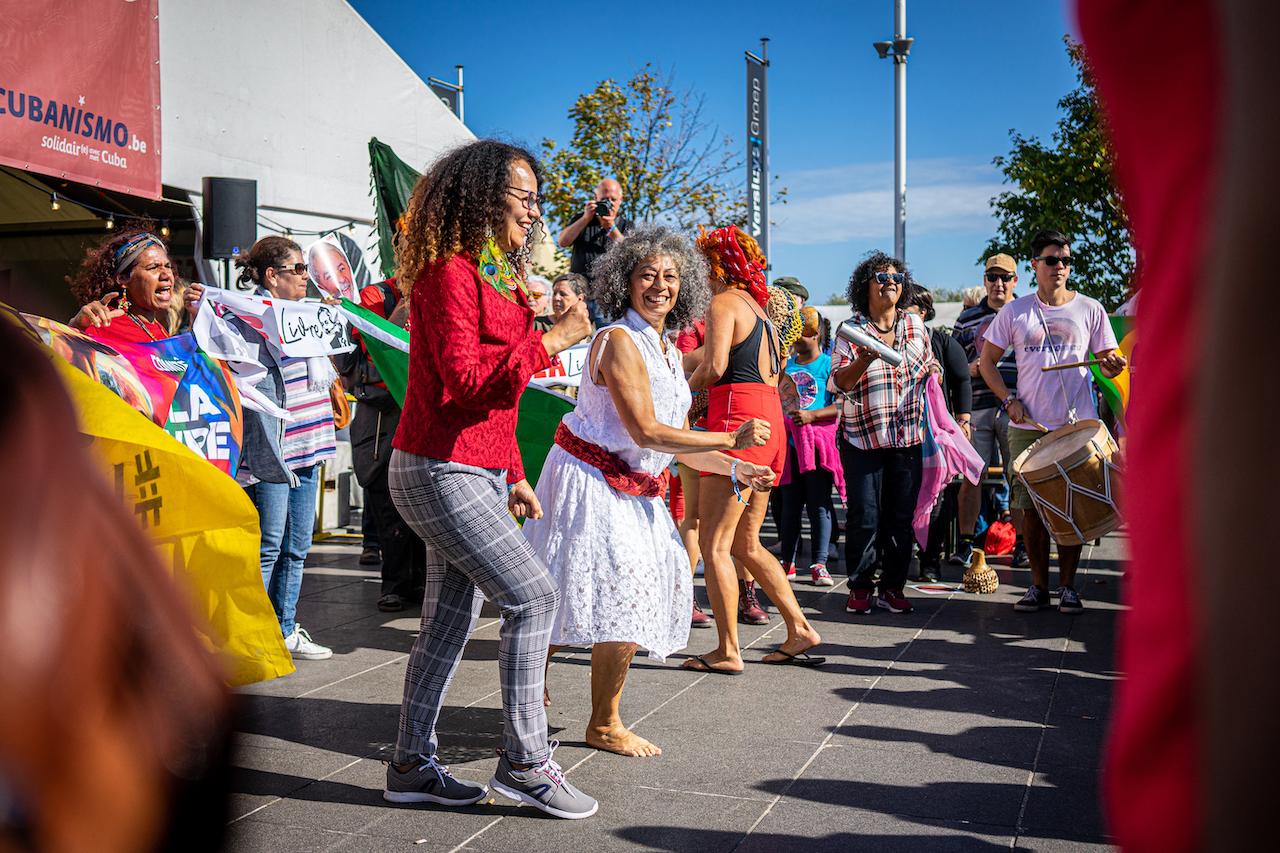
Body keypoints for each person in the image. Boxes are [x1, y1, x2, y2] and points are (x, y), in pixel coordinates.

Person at [382, 139, 597, 819]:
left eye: (537, 199)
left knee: (448, 622)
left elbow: (491, 400)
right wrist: (552, 341)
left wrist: (511, 471)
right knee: (533, 597)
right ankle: (525, 763)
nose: (535, 213)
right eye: (523, 197)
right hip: (437, 466)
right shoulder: (448, 274)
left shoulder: (487, 275)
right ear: (479, 197)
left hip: (468, 468)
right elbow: (466, 381)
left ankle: (411, 765)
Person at [529, 226, 774, 757]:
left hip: (634, 488)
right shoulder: (616, 340)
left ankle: (603, 722)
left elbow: (675, 447)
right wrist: (730, 435)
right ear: (625, 281)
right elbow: (646, 431)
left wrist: (735, 469)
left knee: (627, 595)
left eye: (670, 277)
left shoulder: (664, 349)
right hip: (587, 480)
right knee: (562, 592)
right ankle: (530, 693)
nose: (659, 285)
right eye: (647, 275)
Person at [683, 225, 824, 674]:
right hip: (769, 421)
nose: (698, 272)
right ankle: (800, 628)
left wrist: (677, 398)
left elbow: (715, 366)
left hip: (737, 418)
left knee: (715, 543)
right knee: (746, 543)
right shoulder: (758, 311)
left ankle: (727, 650)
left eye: (703, 263)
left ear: (717, 264)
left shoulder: (724, 302)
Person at [979, 229, 1125, 615]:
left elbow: (1107, 361)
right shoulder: (1016, 311)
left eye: (1065, 260)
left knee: (1070, 507)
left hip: (1075, 429)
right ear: (1034, 266)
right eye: (1051, 260)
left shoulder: (1090, 309)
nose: (1060, 266)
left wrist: (1112, 365)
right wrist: (1008, 401)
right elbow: (987, 363)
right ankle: (1038, 587)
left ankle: (1069, 588)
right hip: (1027, 428)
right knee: (1026, 508)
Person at [234, 236, 338, 661]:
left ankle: (284, 627)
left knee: (297, 546)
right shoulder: (246, 317)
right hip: (274, 450)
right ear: (271, 276)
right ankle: (248, 636)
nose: (305, 277)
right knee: (268, 546)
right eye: (297, 269)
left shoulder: (309, 315)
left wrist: (331, 324)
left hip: (309, 441)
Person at [830, 252, 940, 616]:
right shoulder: (851, 329)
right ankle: (860, 587)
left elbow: (928, 363)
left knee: (899, 517)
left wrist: (935, 375)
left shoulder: (914, 325)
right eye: (881, 276)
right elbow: (839, 384)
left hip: (906, 437)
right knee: (865, 515)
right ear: (866, 286)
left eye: (896, 277)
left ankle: (893, 586)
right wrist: (864, 359)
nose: (890, 281)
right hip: (862, 438)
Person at [335, 277, 426, 613]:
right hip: (381, 417)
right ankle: (395, 584)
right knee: (388, 504)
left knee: (422, 504)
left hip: (419, 411)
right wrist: (405, 301)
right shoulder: (378, 294)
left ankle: (420, 582)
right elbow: (378, 344)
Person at [952, 253, 1025, 569]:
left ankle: (1023, 543)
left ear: (1015, 281)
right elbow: (951, 365)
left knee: (1020, 476)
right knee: (972, 476)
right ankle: (966, 544)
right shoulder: (967, 318)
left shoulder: (1028, 312)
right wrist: (972, 368)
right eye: (992, 277)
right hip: (978, 407)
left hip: (1018, 408)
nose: (999, 284)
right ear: (984, 280)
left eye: (1005, 277)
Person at [901, 285, 972, 580]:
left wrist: (964, 421)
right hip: (901, 433)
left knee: (937, 497)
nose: (903, 313)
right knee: (901, 496)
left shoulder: (941, 341)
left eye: (910, 308)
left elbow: (961, 380)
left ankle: (930, 560)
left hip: (934, 434)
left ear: (925, 313)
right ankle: (896, 558)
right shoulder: (892, 342)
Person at [777, 306, 842, 586]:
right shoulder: (786, 366)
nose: (794, 339)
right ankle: (788, 562)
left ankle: (820, 563)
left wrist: (811, 416)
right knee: (789, 506)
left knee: (819, 505)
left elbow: (841, 406)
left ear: (815, 334)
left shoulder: (828, 365)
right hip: (790, 448)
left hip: (817, 448)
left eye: (799, 333)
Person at [69, 229, 203, 344]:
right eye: (153, 267)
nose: (166, 275)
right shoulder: (104, 324)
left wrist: (196, 316)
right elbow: (63, 361)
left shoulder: (160, 331)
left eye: (168, 266)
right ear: (123, 278)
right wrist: (76, 328)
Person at [557, 178, 636, 325]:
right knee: (574, 336)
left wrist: (611, 228)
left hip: (607, 295)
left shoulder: (626, 225)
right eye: (605, 199)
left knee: (605, 337)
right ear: (595, 199)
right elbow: (562, 242)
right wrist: (586, 218)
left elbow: (631, 253)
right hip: (579, 292)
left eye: (613, 199)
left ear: (621, 200)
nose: (609, 204)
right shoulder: (581, 219)